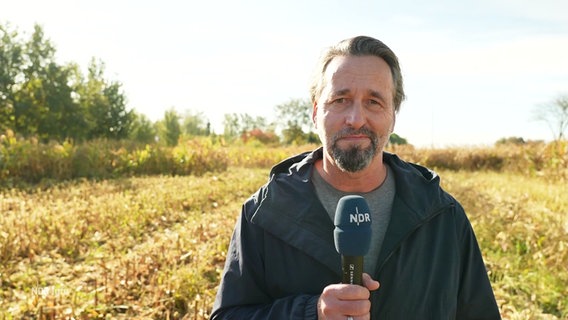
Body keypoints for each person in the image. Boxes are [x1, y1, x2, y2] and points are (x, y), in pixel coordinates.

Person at [210, 35, 501, 319]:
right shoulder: (265, 213)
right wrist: (312, 313)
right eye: (340, 100)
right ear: (315, 112)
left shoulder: (441, 216)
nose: (356, 119)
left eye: (374, 102)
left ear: (393, 115)